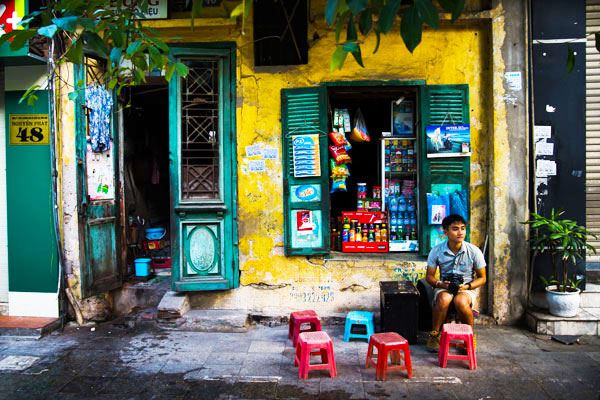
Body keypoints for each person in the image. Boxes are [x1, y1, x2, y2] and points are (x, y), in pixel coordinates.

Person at [425, 214, 486, 352]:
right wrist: (441, 284)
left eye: (463, 228)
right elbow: (429, 276)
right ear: (445, 232)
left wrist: (467, 286)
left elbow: (482, 278)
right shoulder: (436, 251)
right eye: (455, 229)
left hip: (466, 287)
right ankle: (435, 335)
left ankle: (469, 337)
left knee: (461, 301)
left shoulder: (474, 251)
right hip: (444, 286)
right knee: (443, 299)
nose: (460, 232)